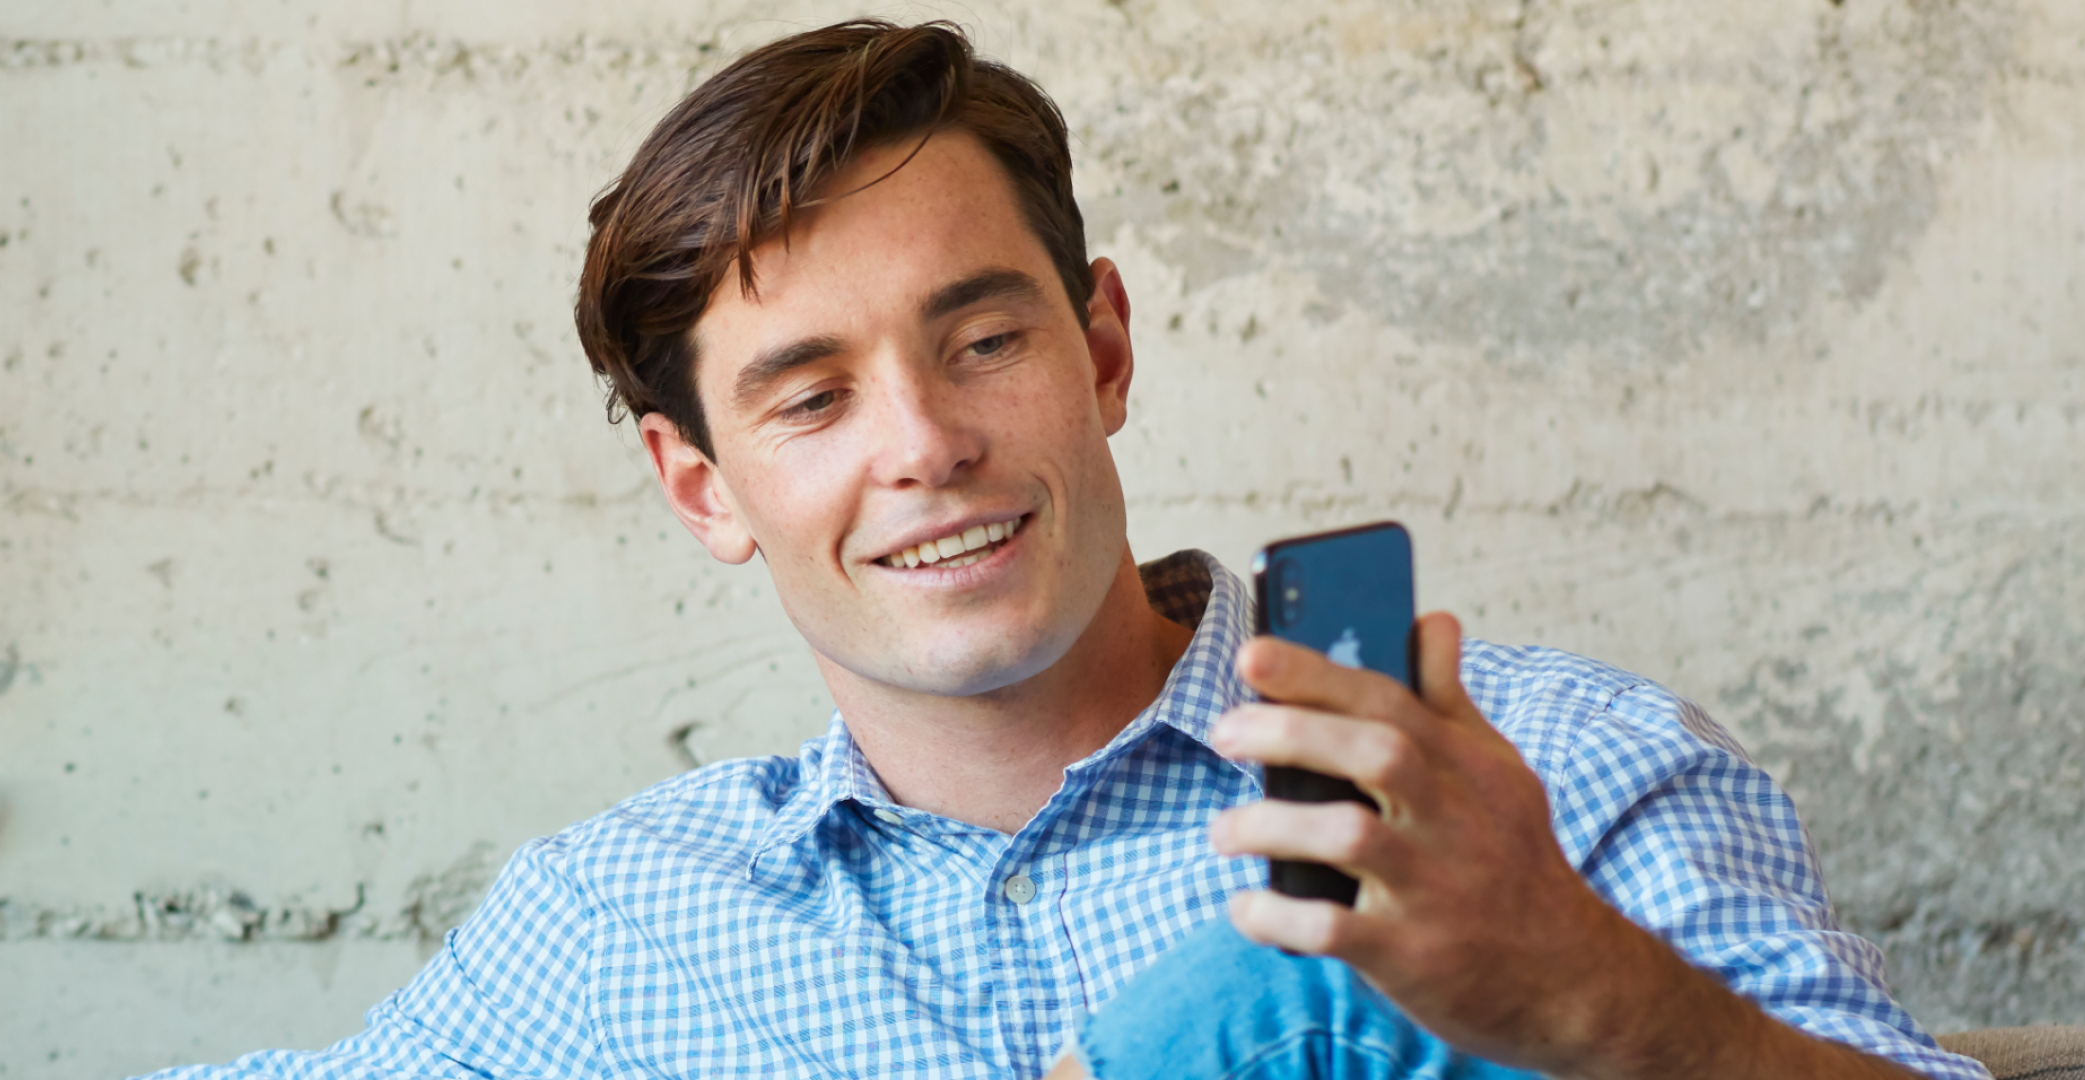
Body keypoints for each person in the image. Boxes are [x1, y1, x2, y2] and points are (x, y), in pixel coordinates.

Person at [142, 20, 1989, 1080]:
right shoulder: (607, 933)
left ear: (1101, 348)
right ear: (702, 489)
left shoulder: (1545, 774)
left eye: (982, 340)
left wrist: (1582, 987)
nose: (925, 444)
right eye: (811, 396)